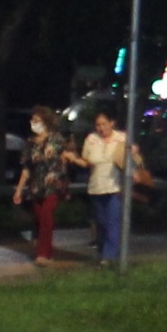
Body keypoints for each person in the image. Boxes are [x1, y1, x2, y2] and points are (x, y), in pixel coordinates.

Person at [78, 105, 148, 265]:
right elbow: (86, 161)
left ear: (112, 123)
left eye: (104, 124)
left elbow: (133, 160)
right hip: (96, 187)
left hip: (116, 187)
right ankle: (102, 252)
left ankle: (109, 257)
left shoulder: (122, 138)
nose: (101, 128)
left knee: (113, 222)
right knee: (101, 222)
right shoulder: (91, 139)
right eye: (98, 125)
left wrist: (134, 152)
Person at [17, 106, 71, 264]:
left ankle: (43, 254)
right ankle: (44, 249)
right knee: (40, 219)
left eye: (37, 121)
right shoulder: (30, 143)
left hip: (53, 185)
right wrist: (19, 189)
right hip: (36, 187)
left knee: (47, 217)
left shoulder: (56, 140)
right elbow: (26, 168)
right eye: (32, 120)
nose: (33, 123)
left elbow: (65, 157)